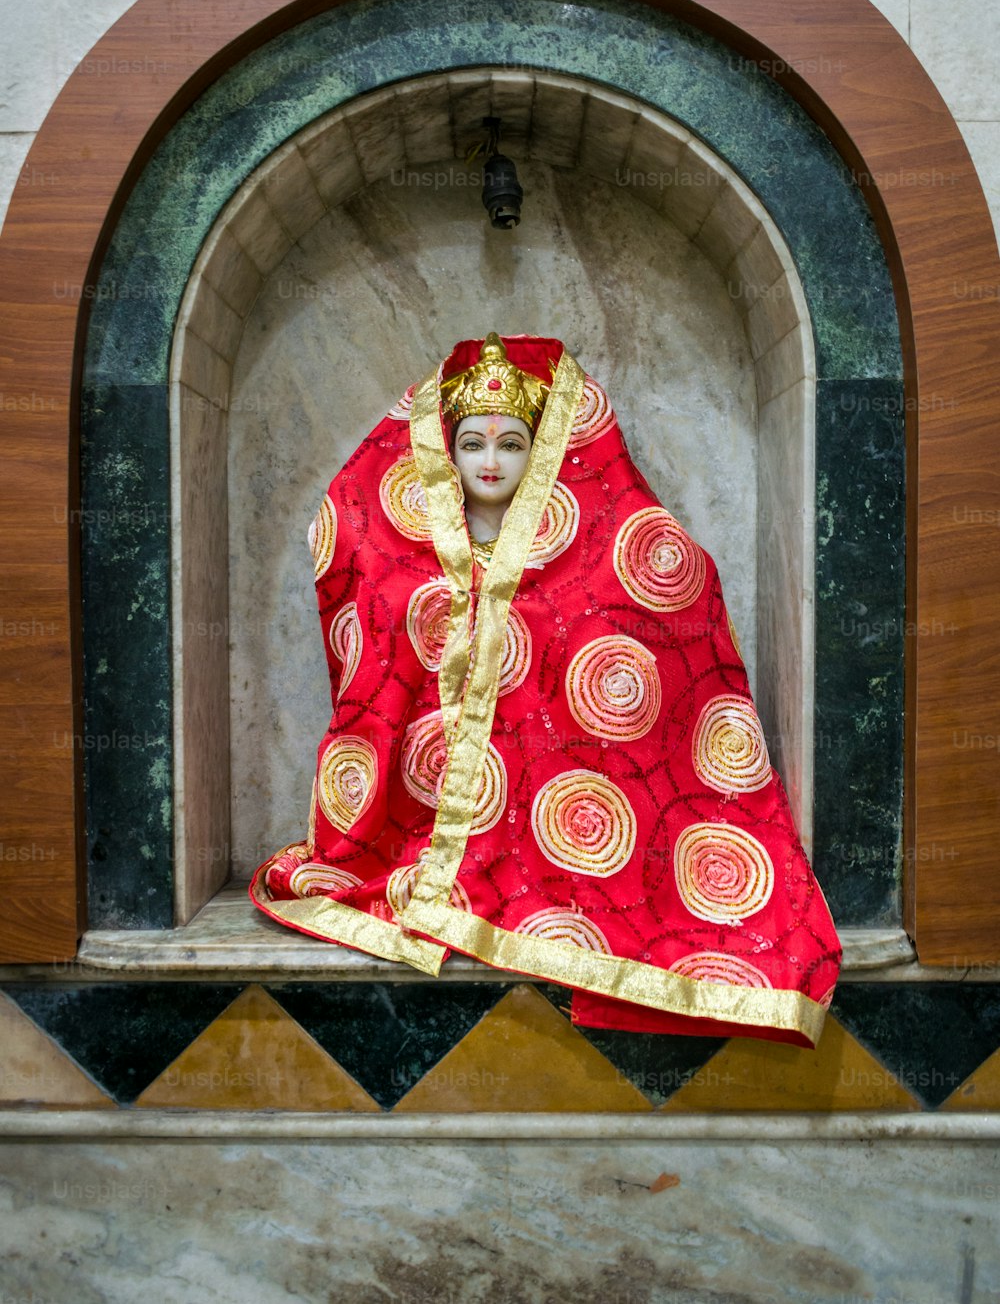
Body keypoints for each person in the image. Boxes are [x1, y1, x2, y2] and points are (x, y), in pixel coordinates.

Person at [250, 333, 841, 1045]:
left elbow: (663, 582)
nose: (491, 463)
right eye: (472, 445)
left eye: (510, 445)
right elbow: (356, 571)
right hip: (422, 818)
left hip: (561, 796)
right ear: (444, 452)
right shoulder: (412, 550)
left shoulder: (590, 542)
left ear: (544, 451)